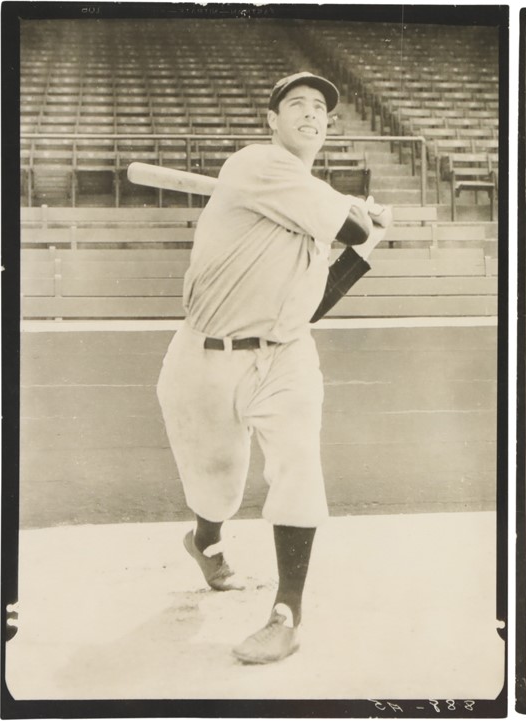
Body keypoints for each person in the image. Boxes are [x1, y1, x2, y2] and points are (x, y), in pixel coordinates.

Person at [156, 71, 393, 663]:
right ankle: (206, 542)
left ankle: (287, 613)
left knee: (297, 468)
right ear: (273, 120)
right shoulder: (254, 164)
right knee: (218, 487)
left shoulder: (309, 203)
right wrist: (359, 221)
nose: (311, 113)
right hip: (205, 354)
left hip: (285, 356)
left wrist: (363, 248)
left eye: (320, 108)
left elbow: (313, 305)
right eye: (296, 105)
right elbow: (351, 222)